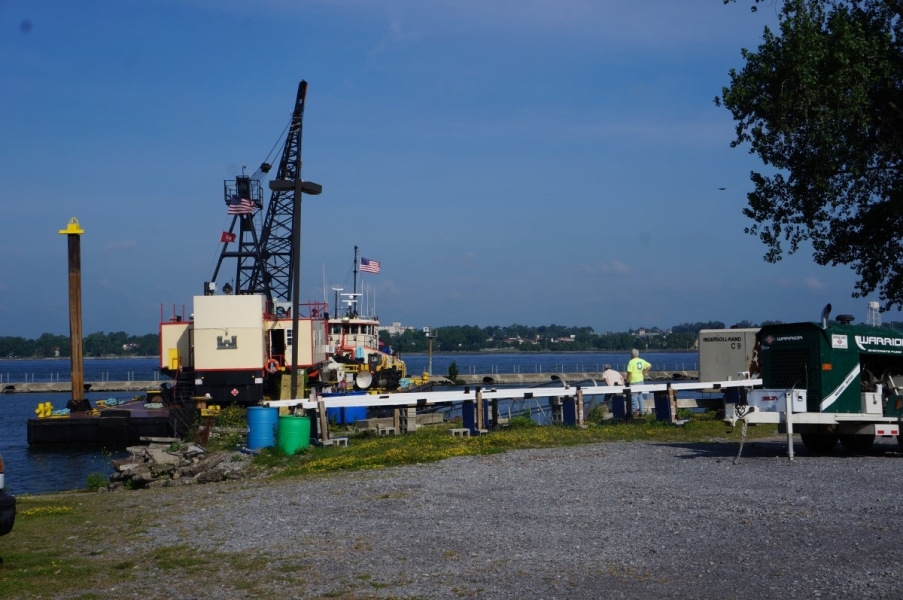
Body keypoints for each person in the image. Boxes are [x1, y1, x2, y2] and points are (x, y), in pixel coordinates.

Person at [625, 348, 652, 416]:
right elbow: (649, 366)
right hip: (640, 380)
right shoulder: (642, 360)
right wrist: (643, 373)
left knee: (634, 396)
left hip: (633, 381)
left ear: (631, 354)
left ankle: (634, 412)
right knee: (640, 396)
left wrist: (627, 381)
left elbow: (630, 373)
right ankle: (642, 412)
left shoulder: (631, 362)